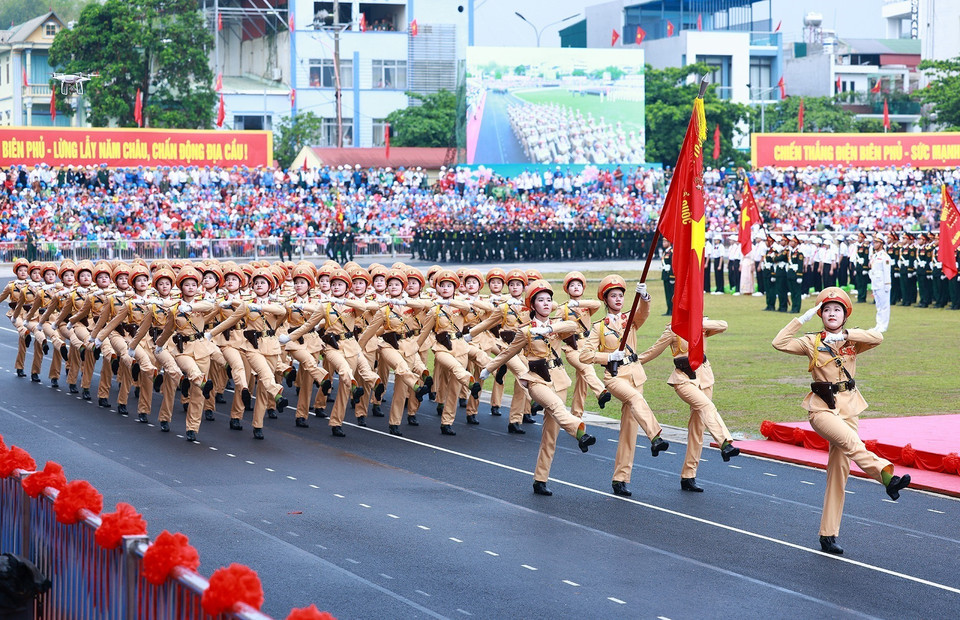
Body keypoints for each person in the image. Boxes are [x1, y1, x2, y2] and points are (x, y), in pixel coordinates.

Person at [772, 287, 910, 555]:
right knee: (853, 443)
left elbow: (878, 337)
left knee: (839, 474)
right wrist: (802, 318)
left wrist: (845, 335)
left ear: (845, 315)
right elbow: (779, 342)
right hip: (822, 409)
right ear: (820, 314)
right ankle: (886, 476)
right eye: (826, 310)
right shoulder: (811, 341)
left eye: (837, 309)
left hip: (849, 408)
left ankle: (828, 534)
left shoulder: (852, 340)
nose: (831, 313)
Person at [480, 279, 597, 496]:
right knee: (556, 406)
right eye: (540, 300)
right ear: (532, 305)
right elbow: (508, 352)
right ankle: (579, 431)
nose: (545, 303)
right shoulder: (526, 331)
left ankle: (540, 480)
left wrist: (549, 328)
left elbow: (573, 326)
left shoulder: (558, 325)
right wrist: (488, 368)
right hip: (536, 380)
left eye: (548, 300)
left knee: (550, 435)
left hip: (558, 379)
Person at [580, 275, 669, 497]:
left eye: (621, 295)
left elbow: (643, 313)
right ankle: (655, 437)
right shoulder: (599, 327)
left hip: (635, 375)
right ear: (605, 300)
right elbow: (585, 355)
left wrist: (645, 297)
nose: (618, 299)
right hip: (615, 376)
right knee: (636, 399)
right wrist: (608, 357)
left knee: (629, 431)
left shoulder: (630, 319)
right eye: (613, 296)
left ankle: (620, 479)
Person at [638, 319, 740, 492]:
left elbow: (723, 325)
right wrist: (631, 362)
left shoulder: (702, 324)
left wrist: (698, 323)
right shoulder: (673, 329)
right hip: (684, 380)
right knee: (707, 406)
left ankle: (688, 476)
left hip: (705, 379)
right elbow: (653, 351)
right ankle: (724, 443)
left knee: (697, 429)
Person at [868, 235, 892, 332]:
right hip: (875, 283)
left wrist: (887, 285)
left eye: (877, 242)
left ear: (881, 244)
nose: (874, 244)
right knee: (878, 306)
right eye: (874, 242)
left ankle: (884, 326)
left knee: (884, 306)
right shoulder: (875, 256)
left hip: (883, 284)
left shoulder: (885, 257)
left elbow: (887, 272)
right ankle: (879, 324)